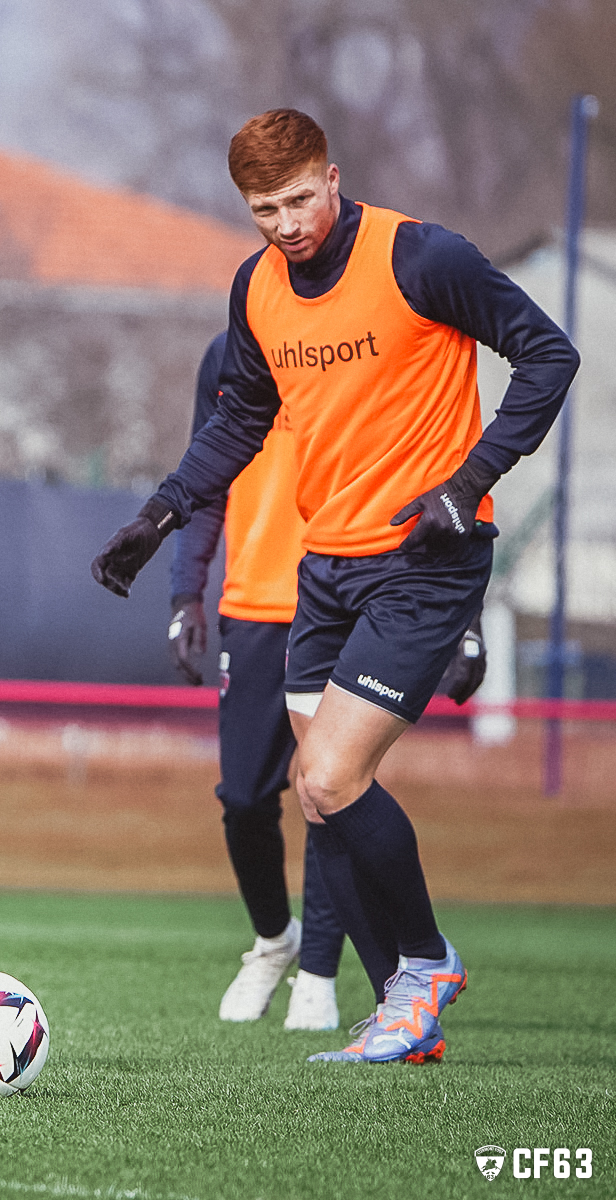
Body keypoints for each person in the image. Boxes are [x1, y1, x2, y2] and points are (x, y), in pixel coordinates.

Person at [93, 109, 577, 1064]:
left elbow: (548, 355)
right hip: (323, 569)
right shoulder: (257, 289)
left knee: (326, 776)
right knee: (323, 800)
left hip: (424, 562)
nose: (285, 222)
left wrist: (469, 483)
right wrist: (156, 519)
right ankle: (406, 1012)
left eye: (300, 198)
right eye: (264, 207)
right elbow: (241, 423)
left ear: (333, 176)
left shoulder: (421, 258)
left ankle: (425, 966)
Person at [170, 332, 487, 1030]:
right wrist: (184, 591)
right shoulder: (224, 356)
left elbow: (440, 478)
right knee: (245, 797)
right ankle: (272, 941)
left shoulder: (371, 342)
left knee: (331, 785)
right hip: (255, 602)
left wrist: (468, 618)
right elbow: (207, 473)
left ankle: (322, 973)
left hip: (360, 589)